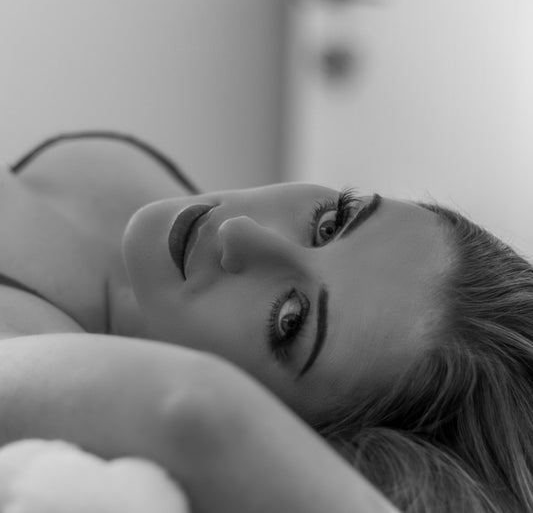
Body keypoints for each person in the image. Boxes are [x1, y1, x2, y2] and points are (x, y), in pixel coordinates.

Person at [0, 133, 532, 512]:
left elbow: (196, 410)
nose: (238, 231)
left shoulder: (30, 341)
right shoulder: (171, 251)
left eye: (290, 319)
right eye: (332, 222)